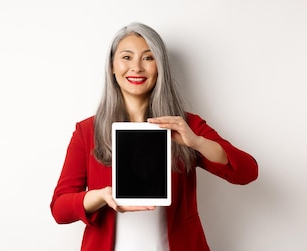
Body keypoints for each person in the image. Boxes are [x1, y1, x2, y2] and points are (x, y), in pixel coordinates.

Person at [49, 22, 258, 251]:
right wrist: (101, 196)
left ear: (160, 66)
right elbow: (60, 209)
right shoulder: (88, 131)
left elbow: (247, 172)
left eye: (148, 58)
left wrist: (196, 142)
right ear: (112, 66)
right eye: (126, 57)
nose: (136, 67)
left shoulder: (185, 125)